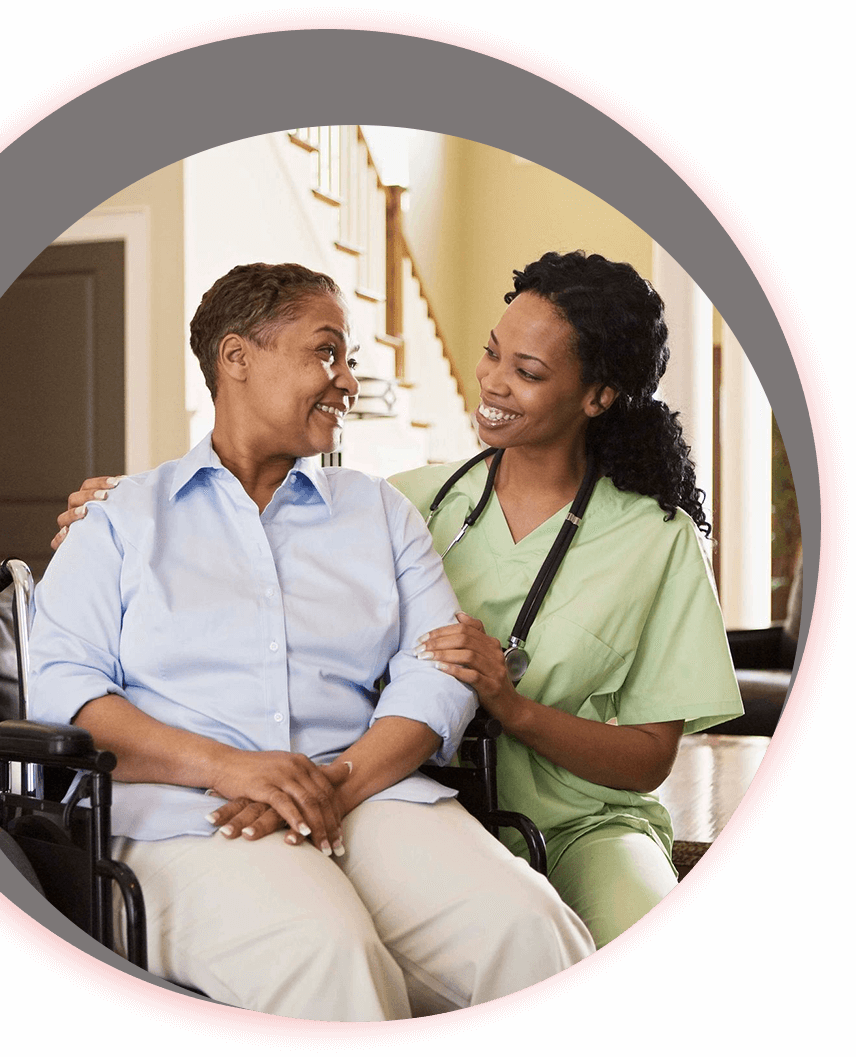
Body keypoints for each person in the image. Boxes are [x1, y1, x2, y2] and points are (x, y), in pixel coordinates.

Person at [54, 250, 744, 951]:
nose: (494, 381)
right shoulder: (409, 500)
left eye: (527, 372)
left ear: (596, 396)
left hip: (572, 822)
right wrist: (134, 507)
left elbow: (652, 756)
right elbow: (255, 502)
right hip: (421, 795)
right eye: (491, 353)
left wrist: (510, 706)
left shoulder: (658, 538)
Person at [30, 262, 594, 1022]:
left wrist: (330, 783)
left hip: (369, 796)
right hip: (186, 816)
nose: (349, 383)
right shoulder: (121, 519)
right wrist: (234, 769)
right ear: (237, 358)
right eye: (328, 353)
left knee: (534, 928)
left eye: (349, 360)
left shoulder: (380, 513)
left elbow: (438, 674)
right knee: (329, 955)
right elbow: (68, 696)